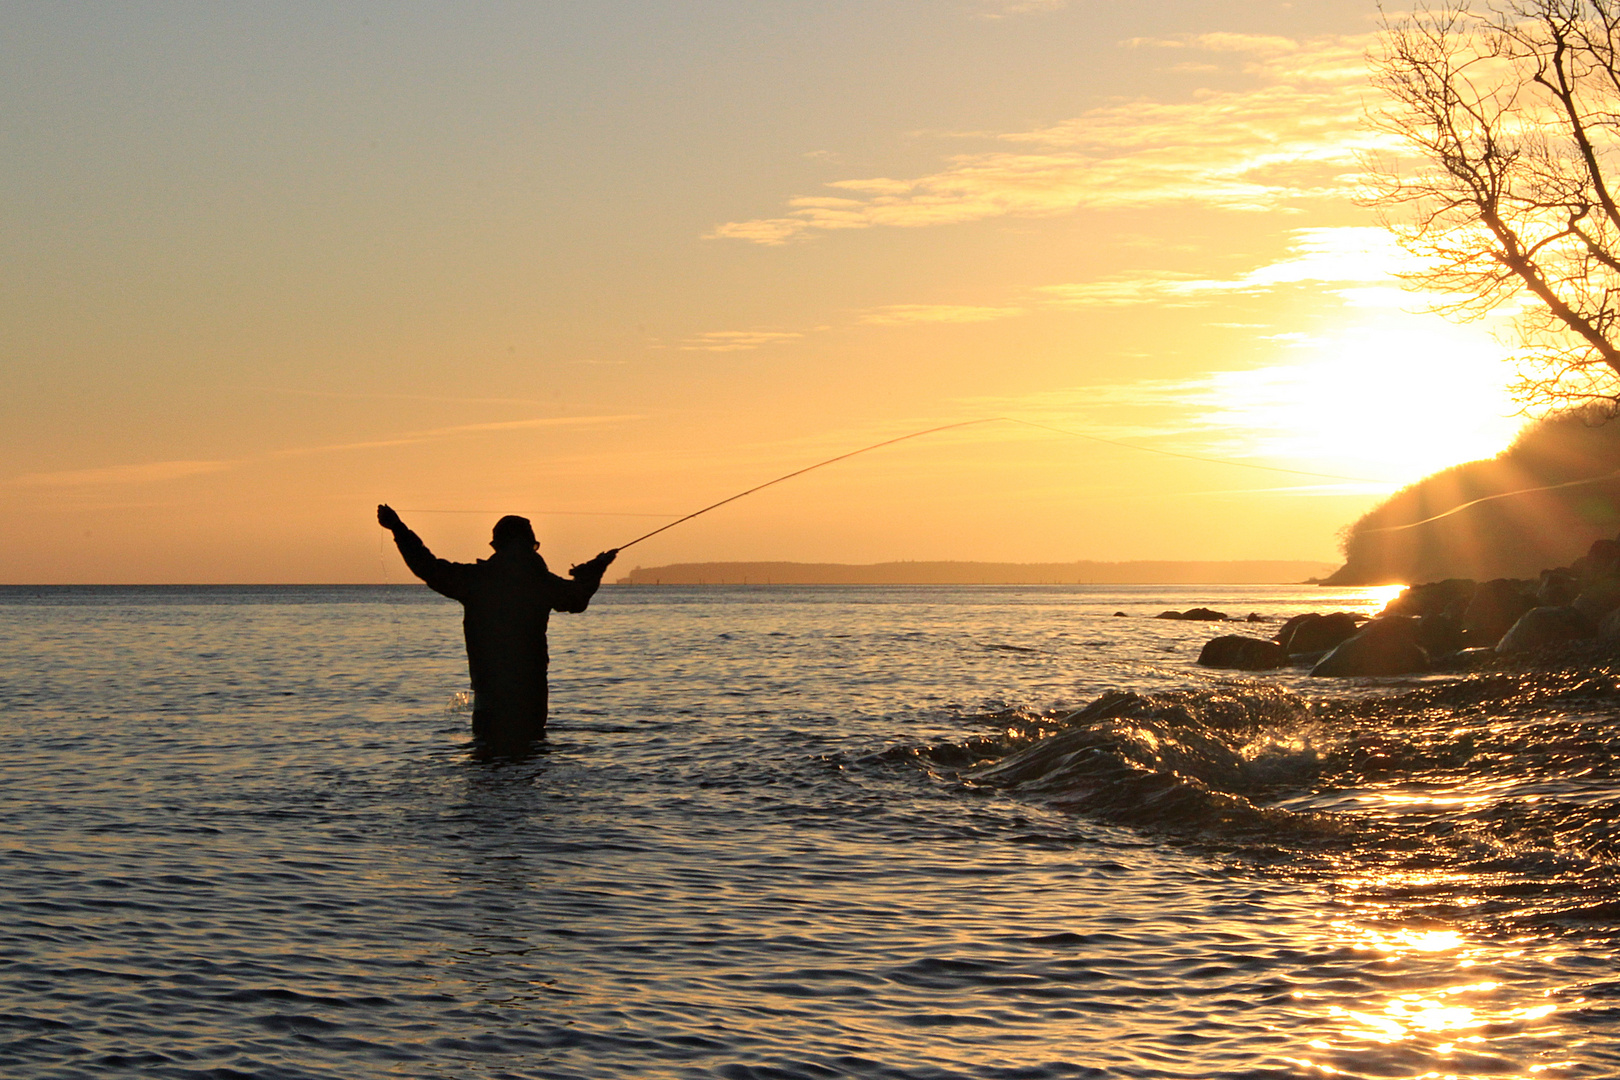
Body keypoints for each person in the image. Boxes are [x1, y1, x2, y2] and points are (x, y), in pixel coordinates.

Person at [377, 504, 617, 746]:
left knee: (487, 765)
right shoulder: (540, 582)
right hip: (530, 697)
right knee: (529, 761)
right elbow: (577, 599)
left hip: (490, 697)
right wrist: (594, 571)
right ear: (528, 545)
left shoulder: (478, 580)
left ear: (497, 546)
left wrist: (398, 528)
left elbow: (427, 566)